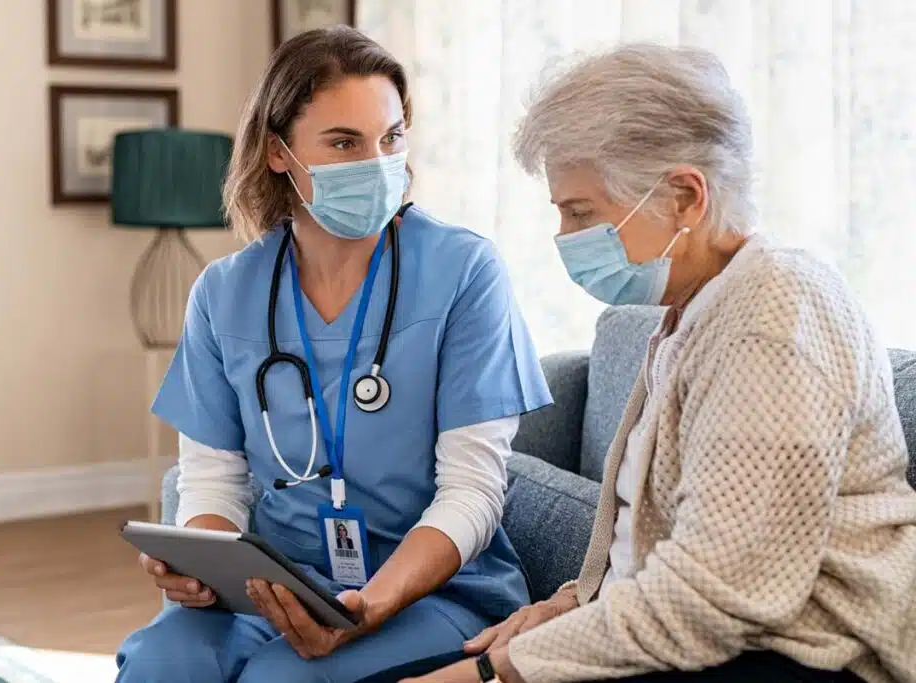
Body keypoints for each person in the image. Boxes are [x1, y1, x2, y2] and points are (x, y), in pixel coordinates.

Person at [403, 43, 916, 683]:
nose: (564, 237)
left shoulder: (771, 320)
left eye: (581, 212)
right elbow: (654, 545)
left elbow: (711, 600)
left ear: (683, 197)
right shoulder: (696, 309)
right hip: (714, 638)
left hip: (806, 653)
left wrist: (499, 672)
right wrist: (568, 606)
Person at [114, 26, 553, 683]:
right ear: (279, 152)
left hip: (434, 589)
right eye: (345, 142)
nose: (378, 163)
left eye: (392, 138)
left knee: (281, 679)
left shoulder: (463, 272)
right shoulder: (225, 293)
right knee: (163, 664)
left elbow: (474, 490)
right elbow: (213, 480)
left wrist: (370, 603)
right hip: (279, 582)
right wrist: (204, 566)